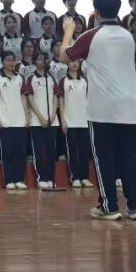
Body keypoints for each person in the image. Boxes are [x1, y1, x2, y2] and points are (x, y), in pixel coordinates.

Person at [61, 0, 136, 221]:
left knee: (104, 157)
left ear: (96, 12)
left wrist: (68, 32)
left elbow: (64, 56)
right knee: (131, 157)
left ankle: (109, 207)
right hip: (129, 107)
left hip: (103, 108)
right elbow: (135, 61)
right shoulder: (128, 36)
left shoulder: (91, 36)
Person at [0, 51, 29, 190]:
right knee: (7, 152)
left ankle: (19, 179)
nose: (10, 63)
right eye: (7, 60)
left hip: (20, 119)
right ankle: (9, 180)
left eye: (13, 60)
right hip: (5, 120)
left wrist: (26, 116)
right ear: (2, 62)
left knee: (20, 151)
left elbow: (24, 98)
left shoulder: (20, 77)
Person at [24, 53, 58, 189]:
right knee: (38, 150)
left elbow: (55, 96)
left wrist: (53, 114)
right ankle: (41, 177)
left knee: (51, 151)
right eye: (38, 59)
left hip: (52, 120)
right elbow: (30, 99)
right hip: (37, 121)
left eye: (43, 59)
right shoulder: (30, 78)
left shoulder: (51, 78)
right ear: (34, 61)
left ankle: (50, 177)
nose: (41, 61)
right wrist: (41, 117)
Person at [58, 59, 90, 188]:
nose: (74, 64)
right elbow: (61, 102)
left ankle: (84, 177)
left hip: (84, 121)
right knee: (72, 151)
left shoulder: (85, 81)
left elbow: (88, 100)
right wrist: (63, 120)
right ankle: (75, 177)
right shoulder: (63, 80)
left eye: (76, 61)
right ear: (67, 64)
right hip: (70, 121)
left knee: (84, 151)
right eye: (71, 62)